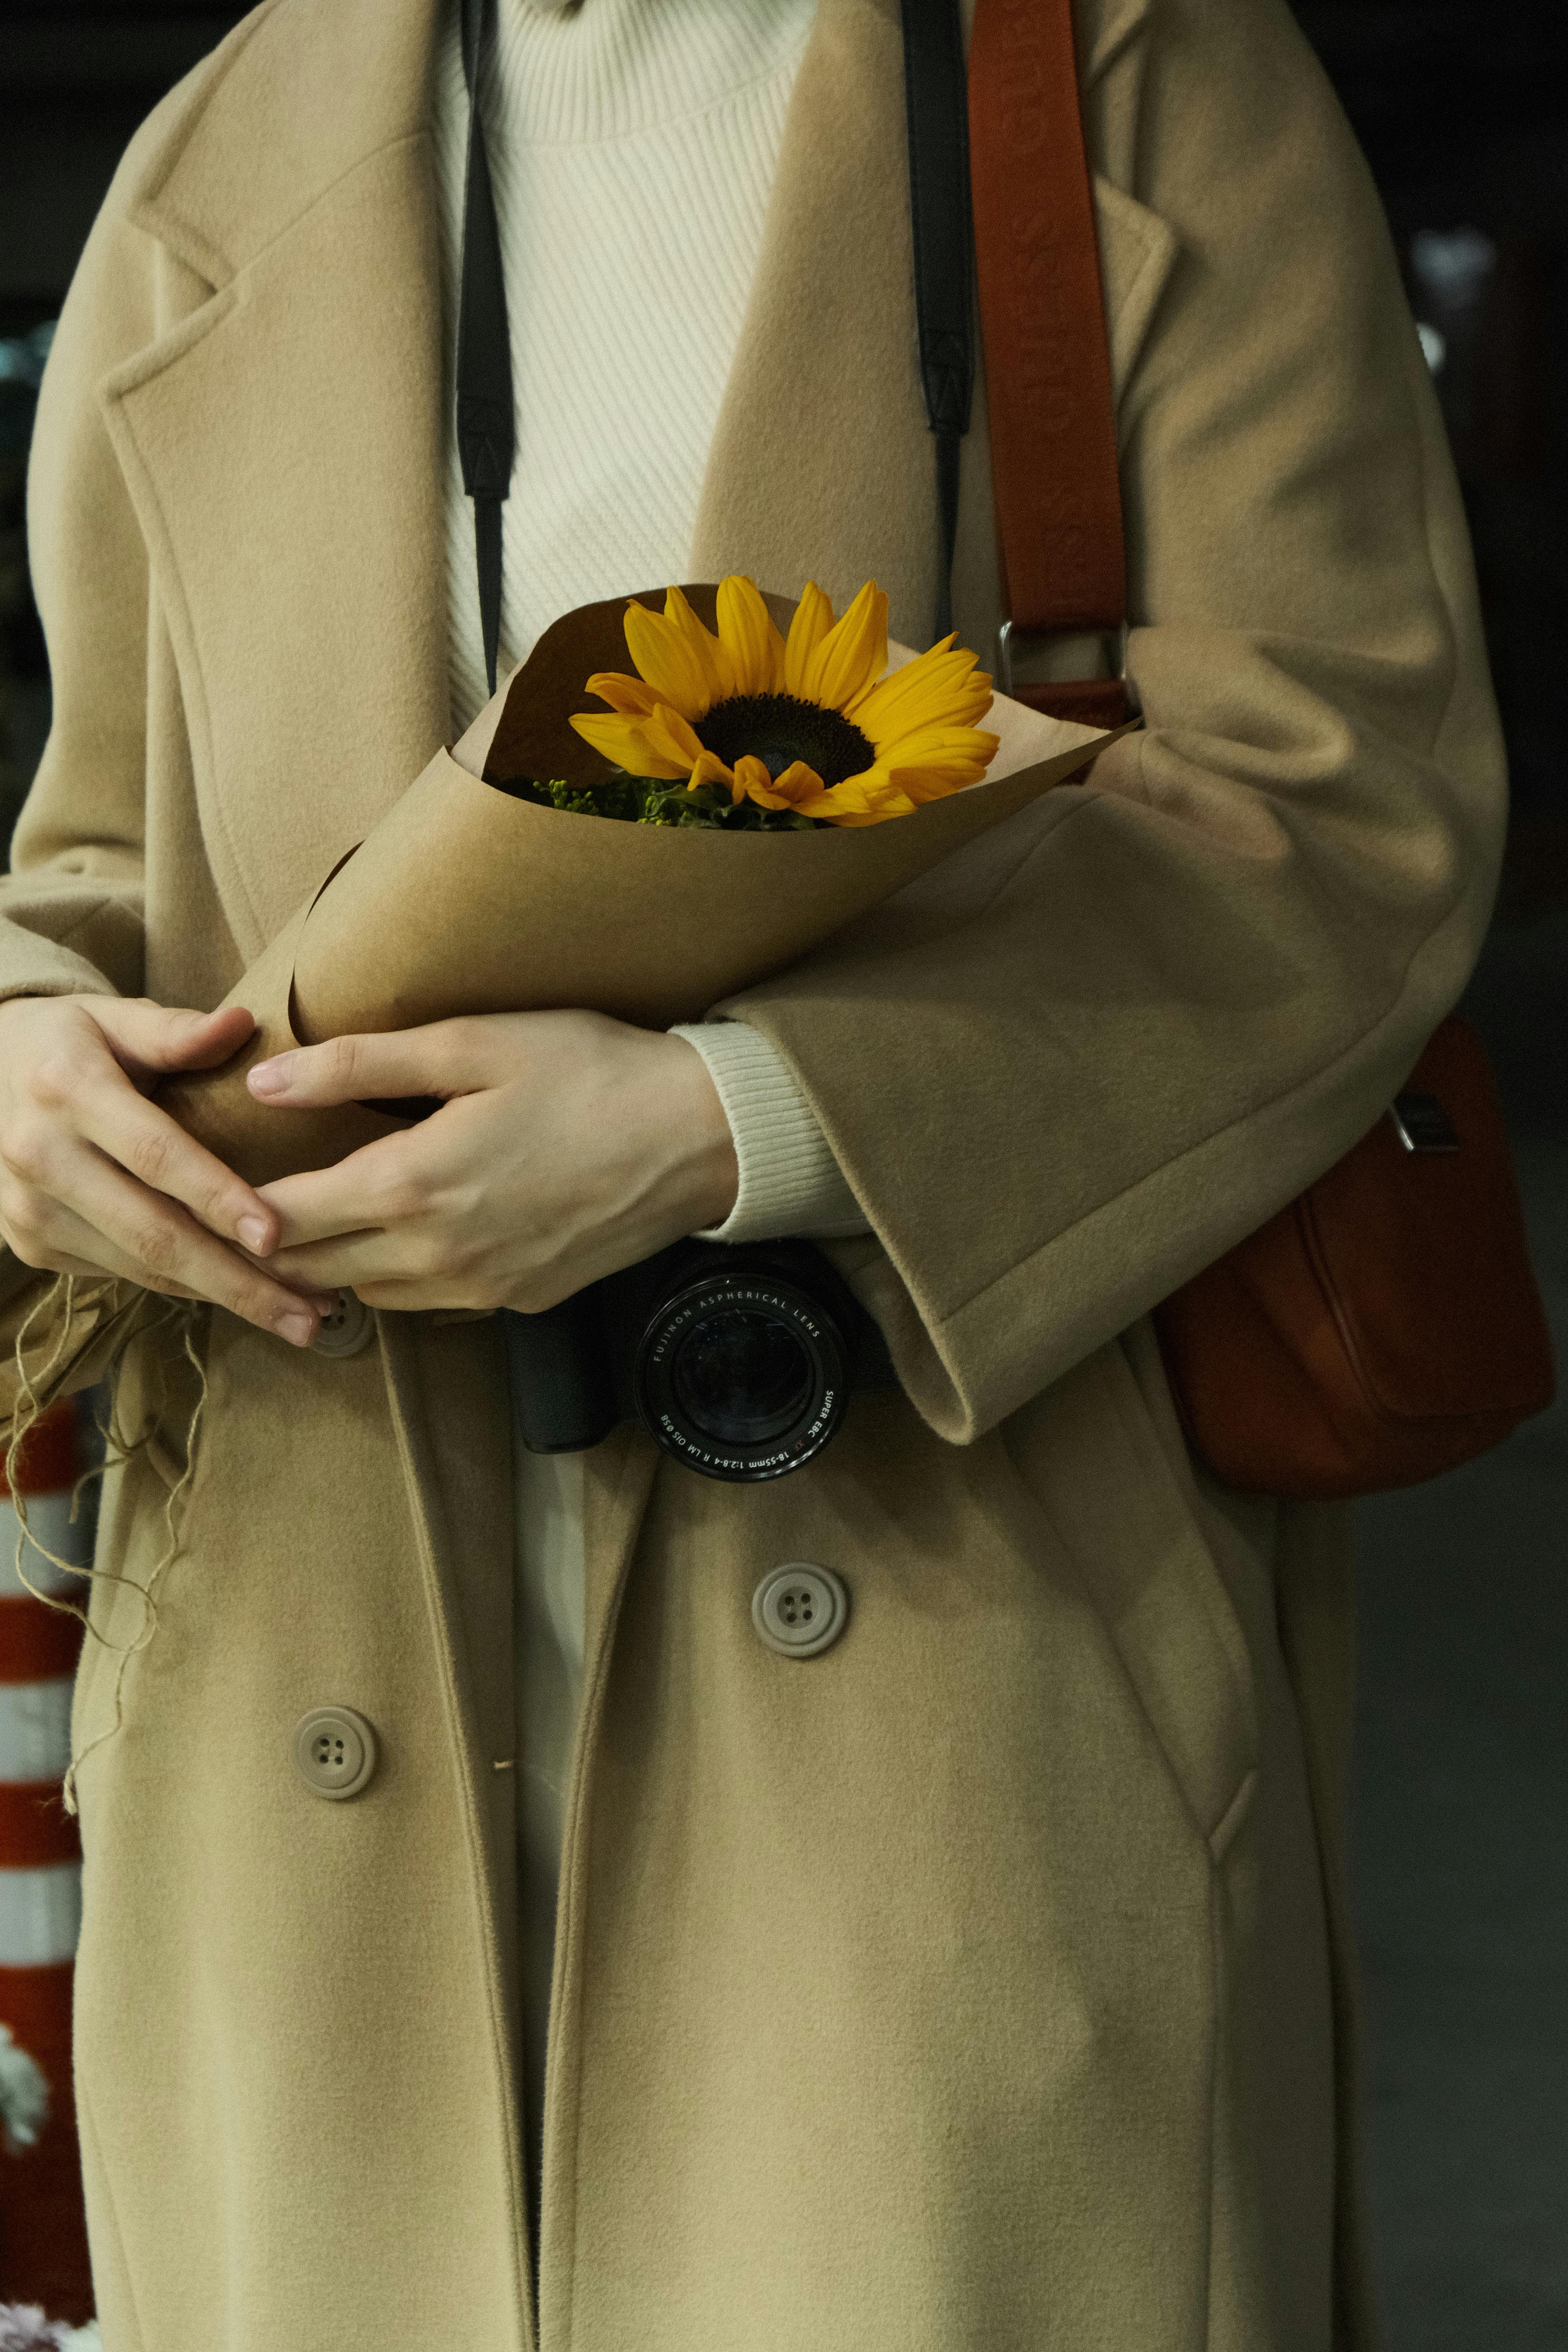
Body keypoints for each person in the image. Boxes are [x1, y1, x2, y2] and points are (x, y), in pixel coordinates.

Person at [0, 0, 1505, 2344]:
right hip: (316, 1631)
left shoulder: (1118, 75)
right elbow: (108, 851)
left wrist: (745, 1124)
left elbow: (1341, 802)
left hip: (953, 1614)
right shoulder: (232, 136)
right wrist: (25, 1060)